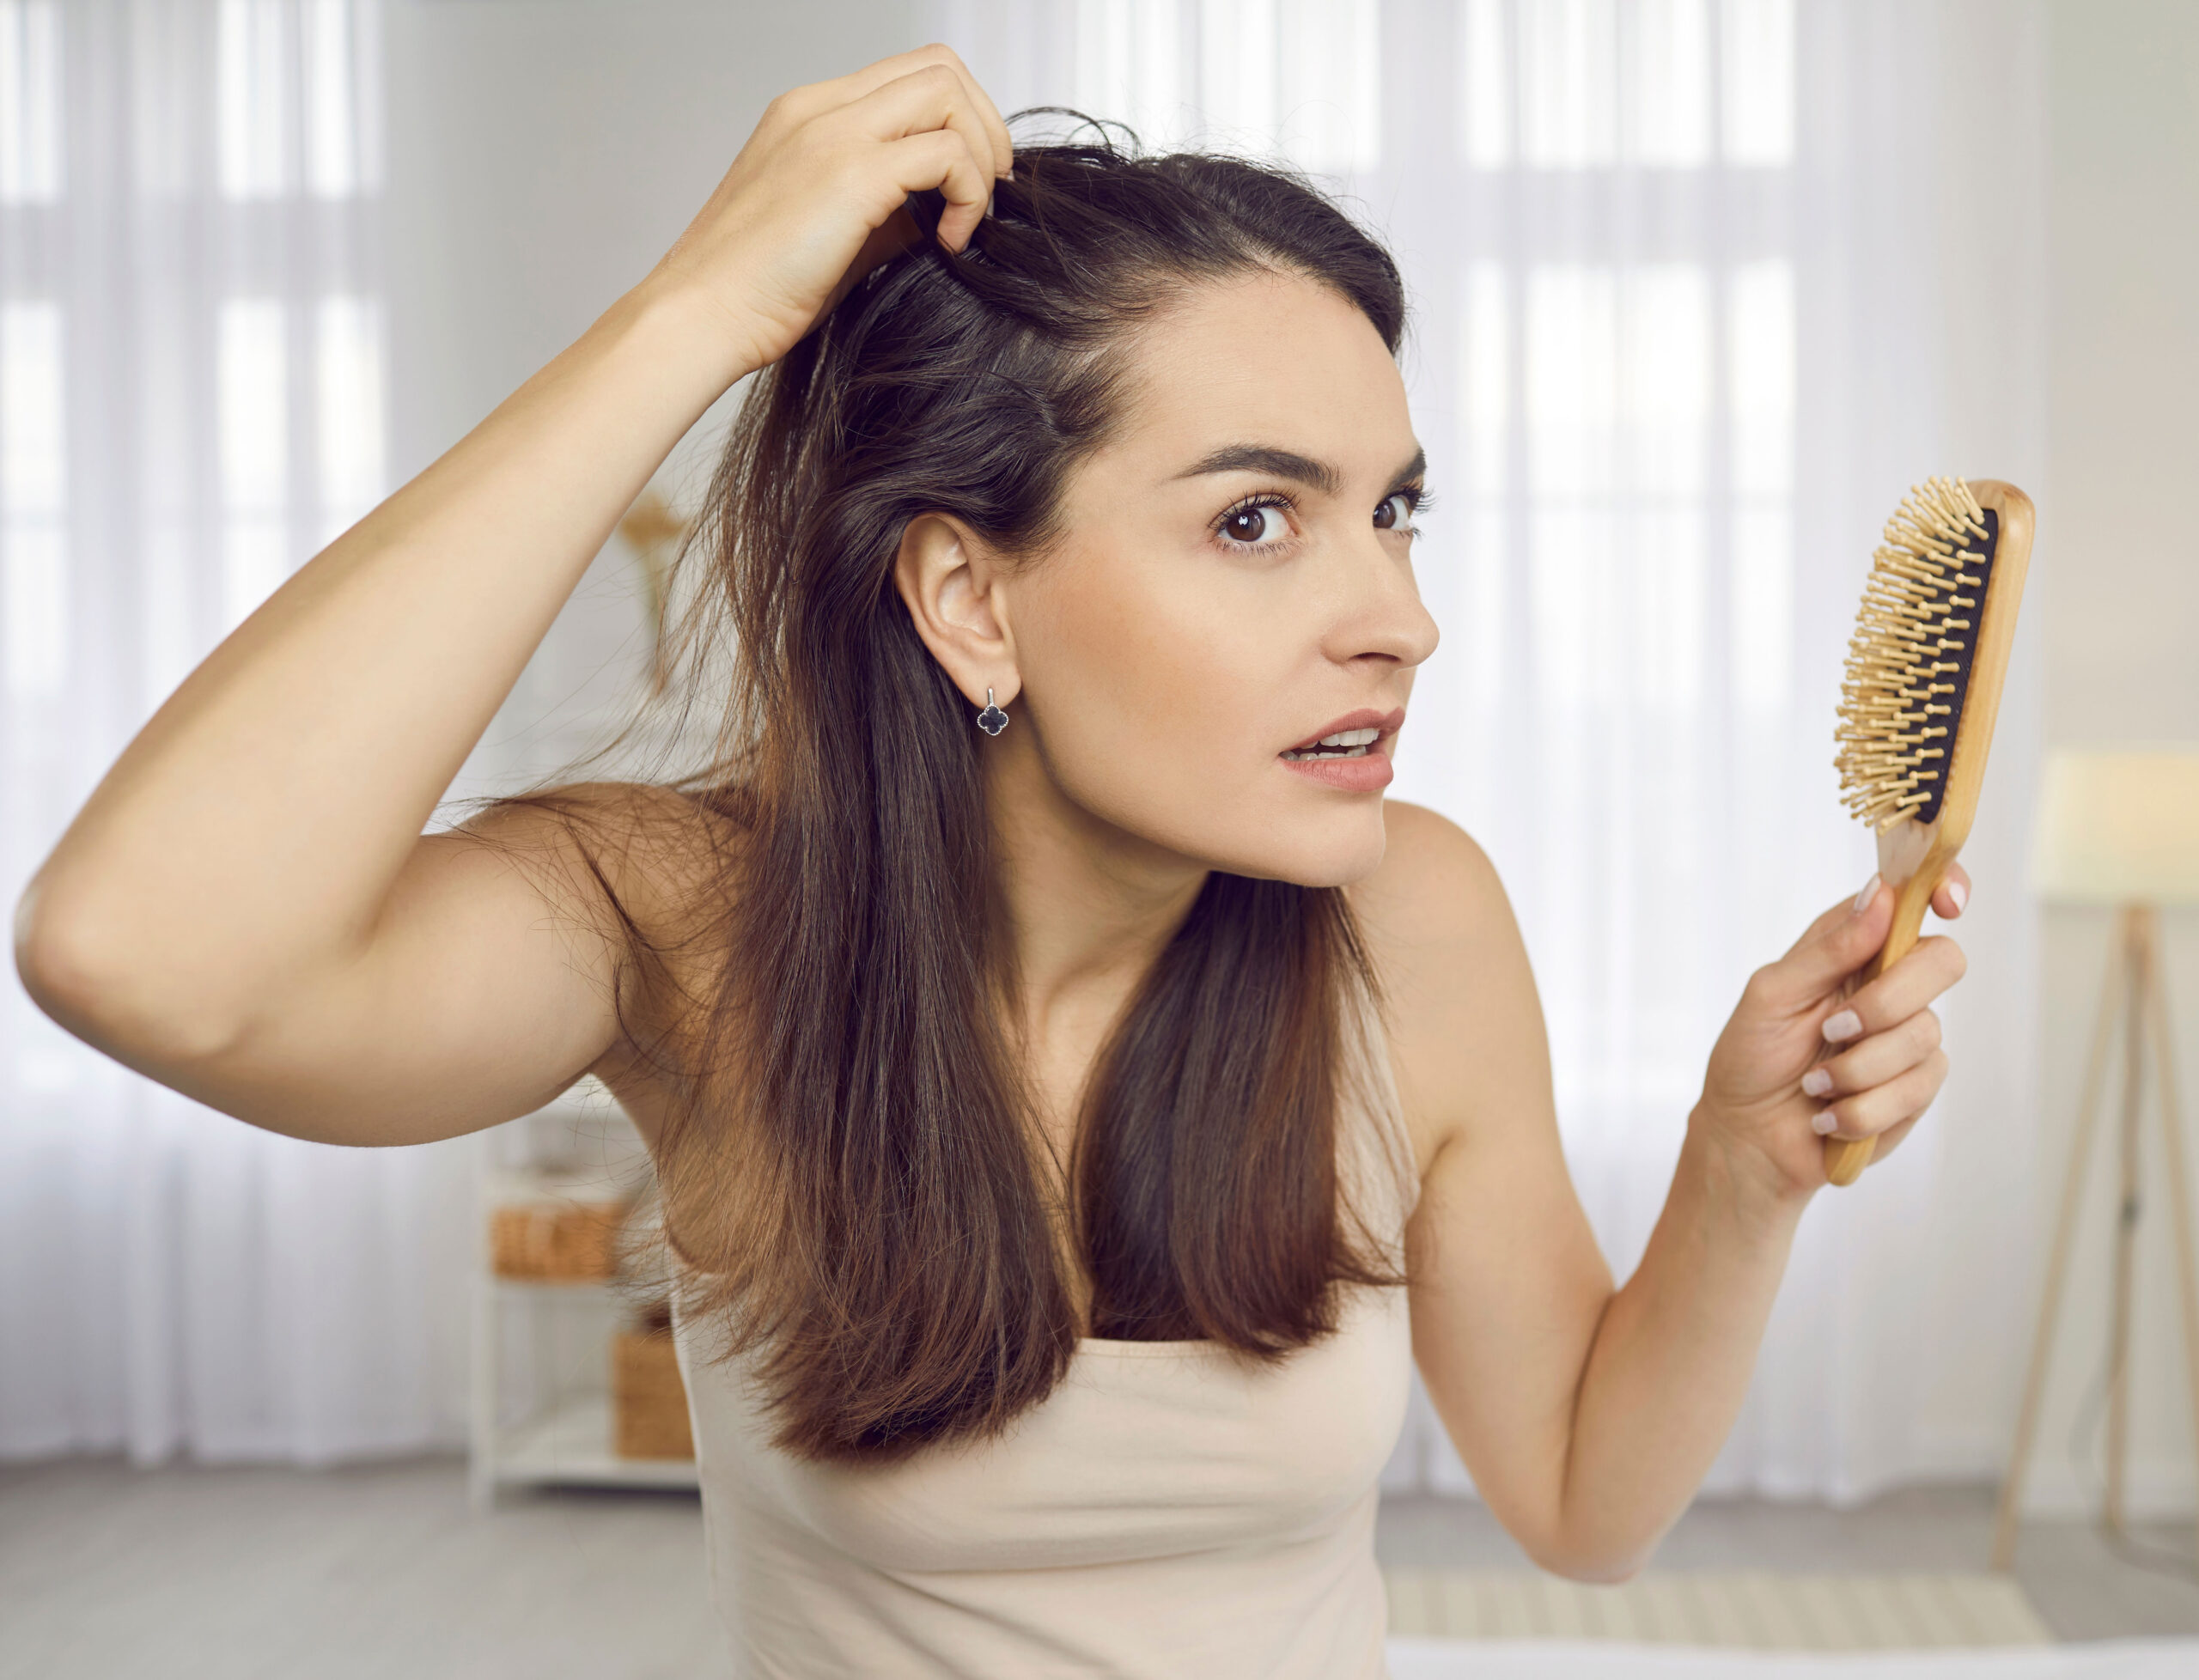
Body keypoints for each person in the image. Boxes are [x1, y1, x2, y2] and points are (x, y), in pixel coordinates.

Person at [13, 43, 1970, 1679]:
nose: (1397, 620)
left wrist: (1738, 1171)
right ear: (966, 595)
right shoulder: (686, 928)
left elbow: (1580, 1506)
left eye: (1393, 513)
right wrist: (694, 314)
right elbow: (142, 954)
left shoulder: (1407, 917)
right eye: (1256, 524)